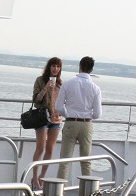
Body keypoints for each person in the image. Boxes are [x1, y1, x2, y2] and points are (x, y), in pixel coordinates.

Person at [55, 56, 102, 181]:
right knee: (86, 161)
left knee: (65, 160)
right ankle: (87, 194)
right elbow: (97, 114)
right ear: (91, 70)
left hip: (70, 123)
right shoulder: (95, 88)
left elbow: (59, 107)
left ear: (80, 66)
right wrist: (86, 115)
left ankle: (59, 194)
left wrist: (69, 114)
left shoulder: (68, 84)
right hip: (86, 124)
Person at [29, 57, 64, 189]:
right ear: (49, 67)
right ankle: (34, 177)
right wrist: (46, 87)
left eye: (58, 66)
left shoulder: (60, 83)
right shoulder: (40, 80)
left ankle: (41, 177)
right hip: (42, 118)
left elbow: (63, 101)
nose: (55, 69)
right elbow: (36, 100)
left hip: (56, 119)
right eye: (53, 66)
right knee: (40, 148)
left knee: (50, 149)